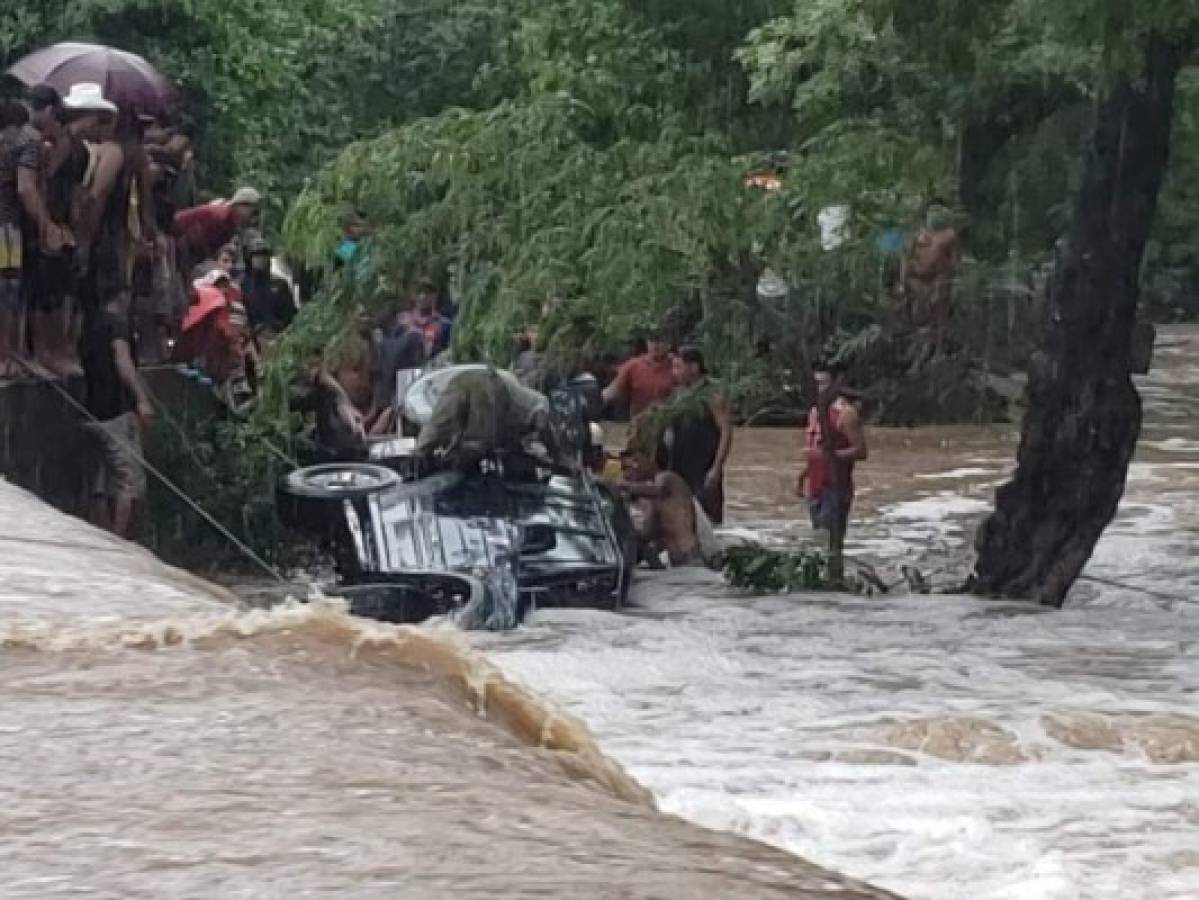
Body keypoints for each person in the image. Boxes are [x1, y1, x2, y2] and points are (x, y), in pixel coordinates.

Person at [81, 276, 153, 537]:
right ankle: (118, 539)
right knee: (128, 478)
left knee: (100, 480)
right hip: (116, 412)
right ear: (123, 295)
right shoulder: (117, 325)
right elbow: (123, 362)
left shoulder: (91, 324)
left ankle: (97, 534)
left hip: (91, 409)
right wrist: (141, 399)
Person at [26, 84, 86, 375]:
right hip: (51, 223)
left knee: (53, 289)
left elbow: (52, 187)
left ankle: (49, 350)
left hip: (54, 223)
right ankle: (45, 351)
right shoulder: (65, 147)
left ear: (48, 111)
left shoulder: (63, 148)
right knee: (46, 290)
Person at [796, 361, 868, 570]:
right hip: (815, 486)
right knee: (819, 542)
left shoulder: (845, 414)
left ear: (837, 384)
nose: (821, 389)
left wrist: (828, 456)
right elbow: (814, 452)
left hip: (836, 486)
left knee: (831, 546)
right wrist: (803, 477)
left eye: (824, 384)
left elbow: (861, 451)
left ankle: (834, 586)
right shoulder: (815, 412)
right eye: (817, 384)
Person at [416, 367, 555, 471]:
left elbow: (442, 420)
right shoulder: (539, 401)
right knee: (475, 446)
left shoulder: (522, 401)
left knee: (444, 425)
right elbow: (542, 422)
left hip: (472, 379)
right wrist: (555, 453)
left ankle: (421, 453)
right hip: (490, 383)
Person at [666, 346, 733, 525]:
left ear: (694, 368)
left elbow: (726, 431)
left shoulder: (713, 393)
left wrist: (716, 468)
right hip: (679, 468)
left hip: (704, 468)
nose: (674, 373)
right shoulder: (678, 394)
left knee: (710, 522)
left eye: (678, 367)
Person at [0, 99, 39, 378]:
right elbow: (25, 189)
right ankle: (8, 356)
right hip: (7, 229)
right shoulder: (22, 145)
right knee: (9, 291)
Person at [615, 448, 704, 567]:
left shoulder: (668, 478)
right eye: (624, 469)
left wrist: (623, 486)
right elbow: (648, 534)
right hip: (677, 562)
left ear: (650, 459)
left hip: (690, 556)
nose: (629, 473)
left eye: (635, 462)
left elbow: (658, 489)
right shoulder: (654, 502)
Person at [173, 187, 258, 276]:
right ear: (241, 205)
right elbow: (196, 240)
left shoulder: (231, 226)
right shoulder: (220, 216)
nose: (252, 214)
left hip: (187, 254)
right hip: (173, 238)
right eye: (252, 209)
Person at [602, 329, 676, 419]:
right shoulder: (634, 365)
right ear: (647, 343)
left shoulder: (677, 365)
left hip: (669, 423)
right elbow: (613, 390)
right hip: (639, 424)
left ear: (669, 344)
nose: (655, 346)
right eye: (652, 341)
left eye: (660, 341)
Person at [240, 237, 295, 338]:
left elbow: (291, 316)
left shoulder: (280, 284)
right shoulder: (242, 285)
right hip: (253, 338)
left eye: (264, 255)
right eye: (257, 255)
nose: (261, 259)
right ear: (250, 259)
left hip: (279, 335)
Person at [410, 279, 451, 357]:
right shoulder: (403, 322)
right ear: (413, 296)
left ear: (434, 295)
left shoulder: (444, 324)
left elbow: (451, 350)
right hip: (407, 367)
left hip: (434, 367)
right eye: (419, 292)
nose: (422, 296)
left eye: (427, 292)